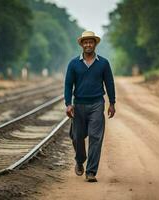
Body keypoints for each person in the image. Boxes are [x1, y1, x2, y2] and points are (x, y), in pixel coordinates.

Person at [64, 31, 116, 182]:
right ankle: (80, 160)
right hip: (79, 104)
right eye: (85, 42)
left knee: (95, 137)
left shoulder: (103, 63)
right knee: (77, 137)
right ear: (81, 44)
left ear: (95, 44)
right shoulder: (74, 64)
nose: (88, 45)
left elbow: (110, 83)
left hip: (97, 104)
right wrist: (68, 104)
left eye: (91, 42)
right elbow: (68, 85)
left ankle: (91, 171)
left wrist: (112, 103)